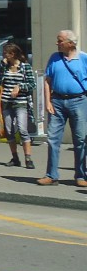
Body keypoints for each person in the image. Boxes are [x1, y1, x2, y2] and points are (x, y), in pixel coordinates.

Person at [41, 29, 87, 187]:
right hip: (57, 102)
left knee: (80, 139)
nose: (57, 43)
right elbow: (47, 81)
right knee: (53, 139)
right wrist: (48, 101)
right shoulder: (54, 58)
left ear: (71, 43)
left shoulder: (83, 58)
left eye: (60, 41)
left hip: (78, 101)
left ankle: (81, 176)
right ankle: (51, 175)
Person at [0, 42, 35, 168]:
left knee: (22, 129)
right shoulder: (5, 67)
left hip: (21, 102)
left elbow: (32, 84)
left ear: (13, 54)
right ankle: (15, 158)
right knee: (9, 130)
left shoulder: (25, 67)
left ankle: (28, 158)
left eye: (6, 53)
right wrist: (2, 67)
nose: (4, 55)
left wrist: (20, 86)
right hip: (7, 102)